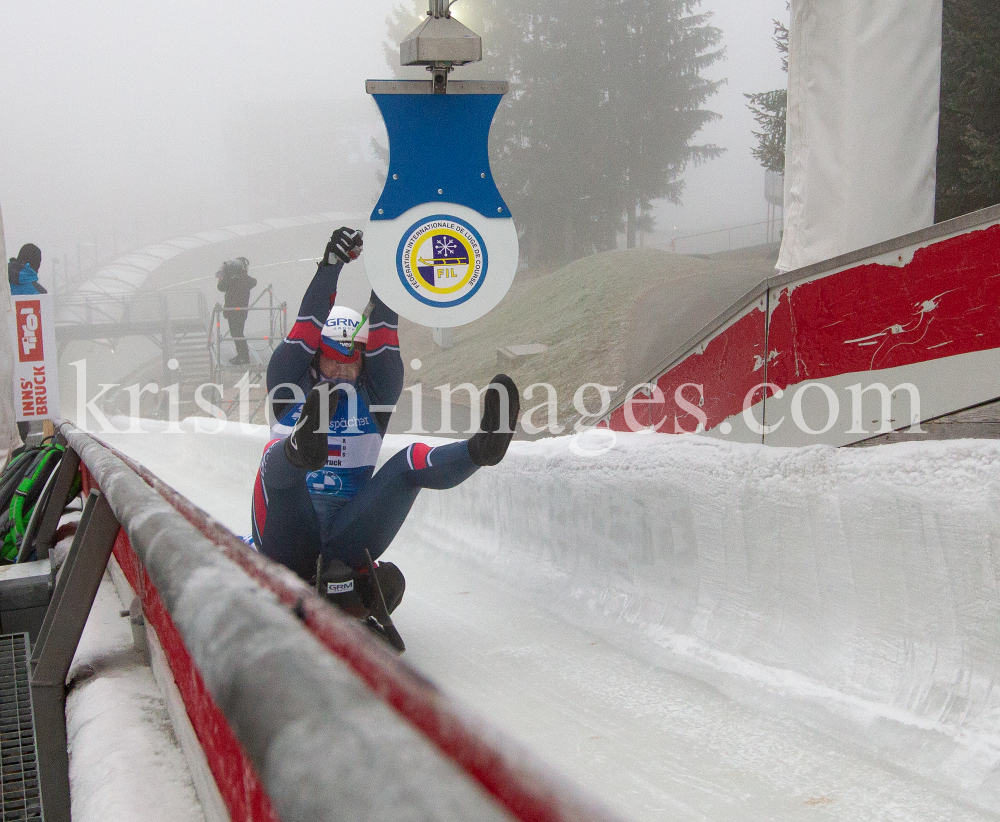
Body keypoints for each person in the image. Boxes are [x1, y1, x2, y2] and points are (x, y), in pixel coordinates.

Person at [252, 226, 519, 623]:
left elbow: (384, 326)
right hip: (286, 530)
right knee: (276, 459)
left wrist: (387, 271)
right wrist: (331, 266)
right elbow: (307, 323)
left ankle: (480, 450)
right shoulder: (288, 384)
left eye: (352, 359)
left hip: (348, 532)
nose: (343, 367)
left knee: (409, 461)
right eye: (332, 358)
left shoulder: (376, 391)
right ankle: (300, 448)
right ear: (314, 359)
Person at [216, 256, 257, 364]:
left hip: (234, 311)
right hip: (241, 311)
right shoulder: (243, 279)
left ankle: (243, 357)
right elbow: (253, 282)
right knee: (238, 333)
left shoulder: (233, 280)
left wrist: (223, 278)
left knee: (236, 333)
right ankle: (242, 355)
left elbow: (221, 287)